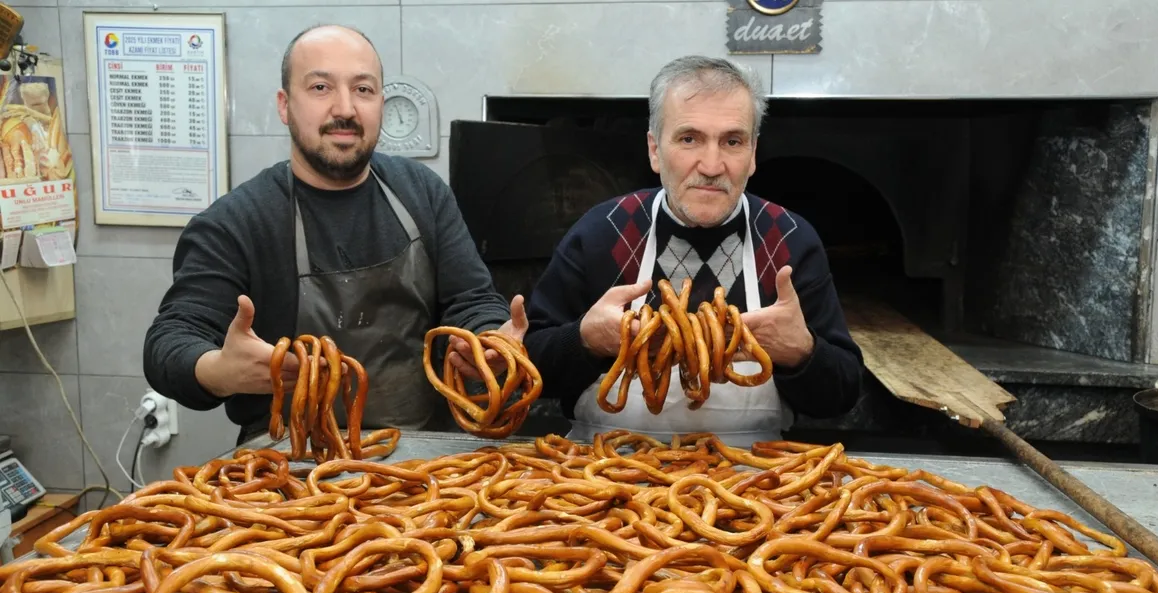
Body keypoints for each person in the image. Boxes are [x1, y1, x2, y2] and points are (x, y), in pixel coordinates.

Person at [144, 24, 524, 444]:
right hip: (288, 465)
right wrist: (216, 371)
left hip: (424, 459)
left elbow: (470, 300)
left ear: (381, 101)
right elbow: (170, 341)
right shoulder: (237, 222)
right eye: (321, 87)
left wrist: (488, 340)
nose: (345, 109)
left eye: (363, 90)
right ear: (285, 105)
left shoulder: (421, 192)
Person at [523, 55, 863, 446]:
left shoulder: (789, 240)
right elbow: (529, 368)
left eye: (732, 141)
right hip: (603, 477)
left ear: (752, 154)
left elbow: (843, 393)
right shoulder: (603, 232)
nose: (712, 164)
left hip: (755, 480)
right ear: (655, 149)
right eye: (689, 139)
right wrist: (584, 341)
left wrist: (803, 354)